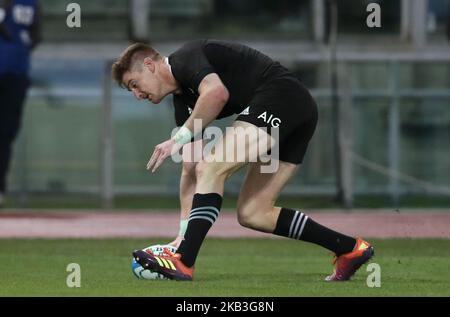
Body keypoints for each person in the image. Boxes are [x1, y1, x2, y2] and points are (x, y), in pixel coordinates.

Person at [112, 40, 374, 282]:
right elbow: (190, 170)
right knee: (253, 213)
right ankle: (350, 249)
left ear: (149, 65)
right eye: (131, 90)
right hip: (293, 112)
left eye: (135, 84)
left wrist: (177, 139)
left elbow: (216, 94)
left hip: (282, 97)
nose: (137, 94)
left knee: (211, 167)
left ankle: (184, 262)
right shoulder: (183, 104)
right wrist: (181, 236)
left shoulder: (185, 58)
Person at [0, 0, 41, 207]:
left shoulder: (31, 3)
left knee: (6, 133)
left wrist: (23, 45)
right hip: (11, 68)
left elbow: (37, 34)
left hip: (16, 71)